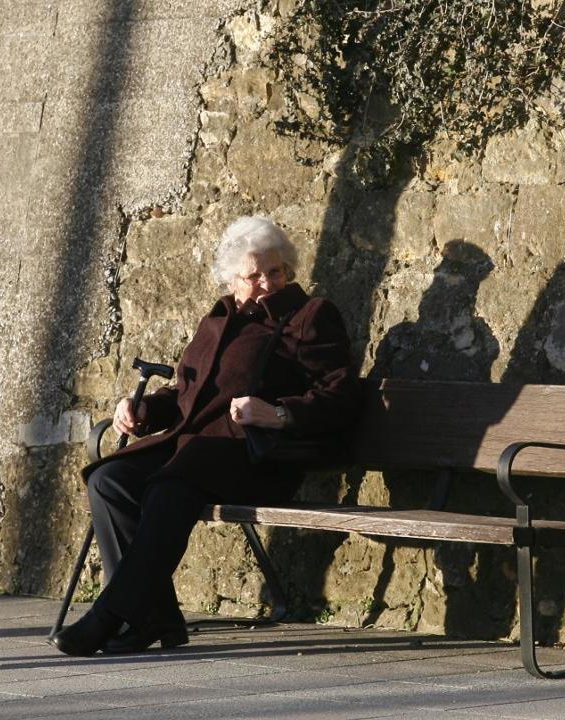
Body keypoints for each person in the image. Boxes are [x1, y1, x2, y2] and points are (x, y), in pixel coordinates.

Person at [50, 216, 359, 656]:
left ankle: (112, 615)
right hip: (194, 450)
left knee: (169, 489)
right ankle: (153, 618)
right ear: (233, 279)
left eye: (276, 271)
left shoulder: (310, 316)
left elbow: (341, 393)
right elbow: (185, 394)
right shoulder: (216, 320)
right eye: (254, 275)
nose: (267, 282)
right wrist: (144, 410)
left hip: (255, 457)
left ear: (289, 269)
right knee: (110, 479)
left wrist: (278, 413)